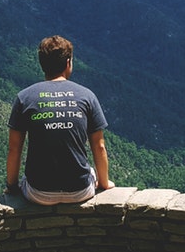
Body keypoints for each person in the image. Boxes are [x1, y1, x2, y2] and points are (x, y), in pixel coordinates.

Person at [6, 35, 114, 204]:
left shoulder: (24, 97)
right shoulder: (87, 96)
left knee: (26, 180)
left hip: (38, 192)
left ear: (42, 64)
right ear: (68, 63)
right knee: (91, 173)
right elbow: (99, 146)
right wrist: (105, 184)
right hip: (80, 190)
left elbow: (14, 148)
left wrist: (12, 187)